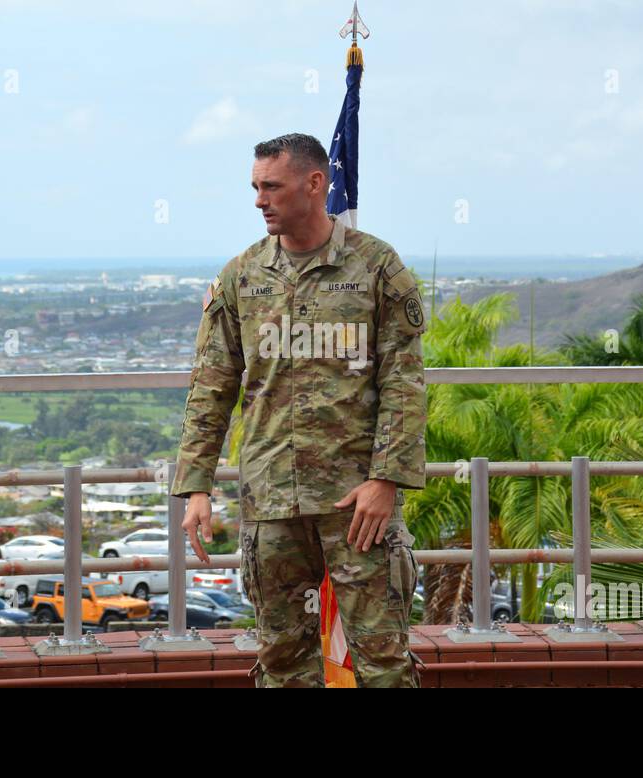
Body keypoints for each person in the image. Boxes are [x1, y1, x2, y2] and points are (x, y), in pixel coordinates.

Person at [172, 133, 427, 687]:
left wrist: (386, 480)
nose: (260, 200)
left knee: (382, 661)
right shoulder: (242, 277)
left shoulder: (377, 268)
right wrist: (196, 486)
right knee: (283, 661)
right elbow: (212, 386)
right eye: (255, 187)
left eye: (272, 186)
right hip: (270, 500)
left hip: (356, 502)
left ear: (315, 184)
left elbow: (404, 384)